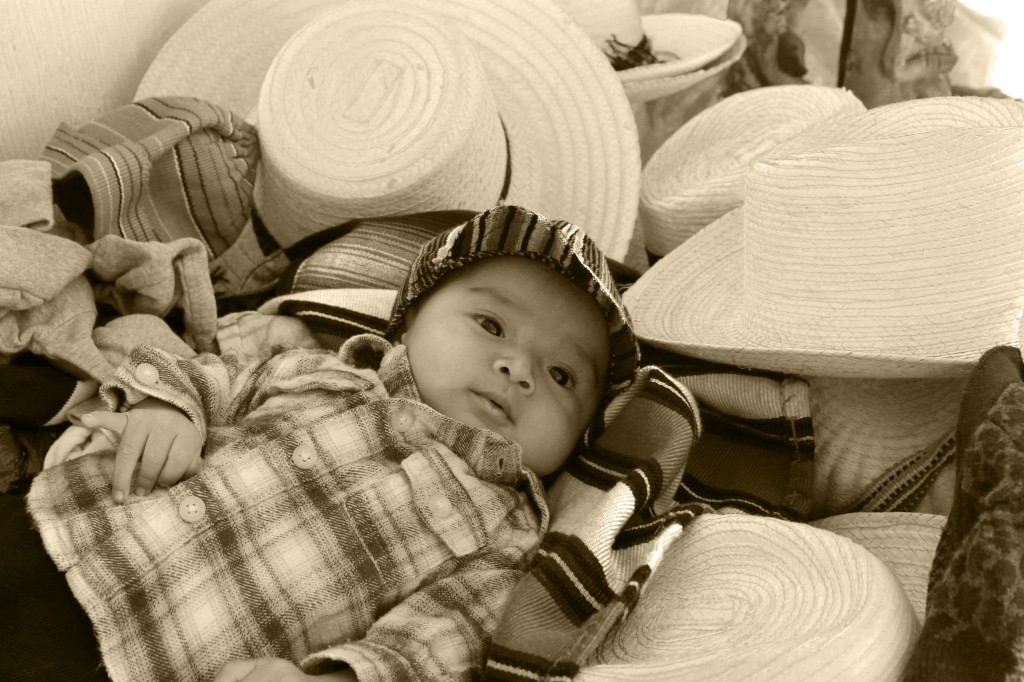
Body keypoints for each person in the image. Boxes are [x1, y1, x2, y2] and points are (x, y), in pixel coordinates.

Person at [0, 205, 640, 682]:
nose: (520, 370)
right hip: (69, 527)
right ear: (411, 321)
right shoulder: (321, 370)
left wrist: (337, 676)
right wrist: (172, 405)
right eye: (492, 324)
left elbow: (440, 638)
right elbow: (211, 374)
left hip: (168, 657)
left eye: (562, 375)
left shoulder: (506, 536)